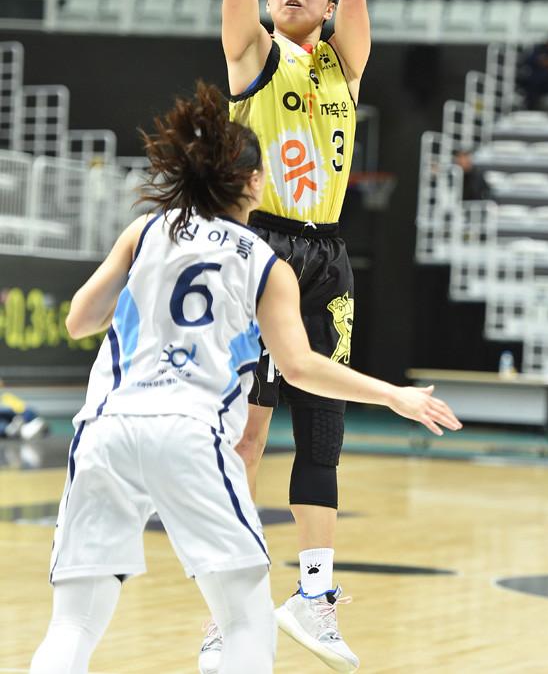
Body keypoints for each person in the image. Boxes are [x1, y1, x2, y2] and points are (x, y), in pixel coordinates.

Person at [29, 82, 461, 674]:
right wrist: (394, 395)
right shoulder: (264, 263)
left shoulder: (147, 231)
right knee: (247, 624)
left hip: (104, 432)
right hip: (189, 435)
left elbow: (80, 320)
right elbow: (301, 367)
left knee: (73, 625)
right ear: (255, 182)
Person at [199, 0, 372, 673]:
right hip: (257, 250)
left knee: (324, 432)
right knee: (248, 435)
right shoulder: (255, 57)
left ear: (329, 6)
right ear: (269, 4)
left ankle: (313, 596)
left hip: (327, 257)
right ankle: (229, 609)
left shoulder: (343, 65)